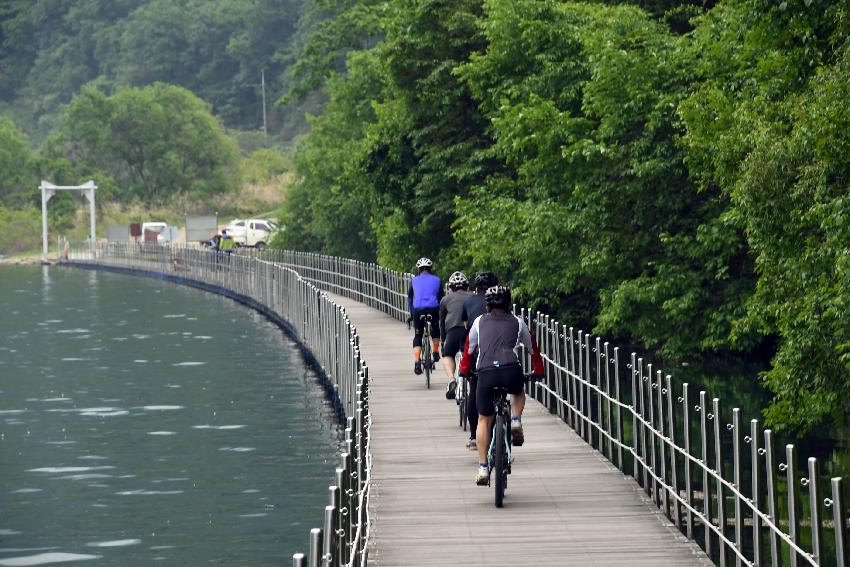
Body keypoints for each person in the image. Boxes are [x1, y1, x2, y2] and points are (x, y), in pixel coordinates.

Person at [460, 285, 544, 485]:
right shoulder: (518, 322)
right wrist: (538, 370)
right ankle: (515, 420)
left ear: (487, 305)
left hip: (486, 373)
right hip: (510, 369)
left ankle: (482, 468)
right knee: (518, 390)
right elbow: (533, 349)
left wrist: (465, 370)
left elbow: (469, 350)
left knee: (483, 420)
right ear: (508, 303)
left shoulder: (479, 322)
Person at [458, 271, 499, 450]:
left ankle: (475, 437)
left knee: (475, 392)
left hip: (476, 354)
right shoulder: (502, 302)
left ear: (476, 288)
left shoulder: (468, 302)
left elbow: (466, 327)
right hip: (501, 355)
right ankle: (512, 422)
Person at [439, 271, 473, 399]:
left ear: (450, 287)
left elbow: (441, 324)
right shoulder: (473, 296)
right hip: (469, 331)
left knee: (448, 355)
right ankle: (471, 381)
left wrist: (443, 342)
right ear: (467, 286)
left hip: (452, 331)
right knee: (471, 355)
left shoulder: (445, 299)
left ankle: (451, 379)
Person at [407, 257, 443, 375]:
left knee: (418, 335)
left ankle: (417, 361)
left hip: (418, 310)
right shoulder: (438, 280)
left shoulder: (414, 280)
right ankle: (436, 351)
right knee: (435, 328)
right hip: (433, 308)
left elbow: (410, 299)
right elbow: (441, 298)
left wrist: (411, 315)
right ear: (430, 269)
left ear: (419, 269)